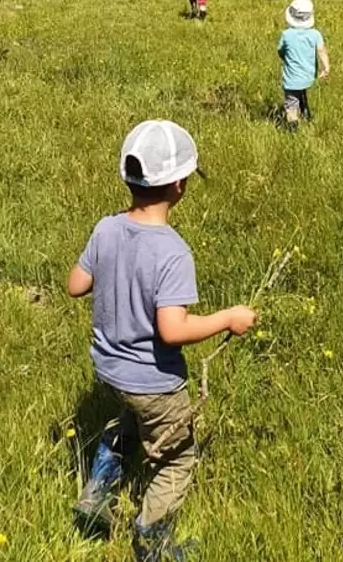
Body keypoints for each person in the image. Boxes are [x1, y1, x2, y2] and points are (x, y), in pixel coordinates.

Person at [68, 120, 257, 560]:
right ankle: (152, 540)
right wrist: (228, 317)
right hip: (155, 382)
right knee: (175, 458)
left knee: (127, 421)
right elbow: (172, 330)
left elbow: (76, 284)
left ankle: (97, 493)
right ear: (179, 185)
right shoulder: (172, 251)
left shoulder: (106, 228)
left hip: (108, 369)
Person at [277, 0, 329, 132]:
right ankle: (306, 113)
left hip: (291, 79)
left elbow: (281, 51)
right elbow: (321, 51)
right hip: (308, 76)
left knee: (291, 103)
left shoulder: (286, 35)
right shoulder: (315, 34)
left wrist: (285, 57)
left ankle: (292, 128)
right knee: (302, 91)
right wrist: (326, 67)